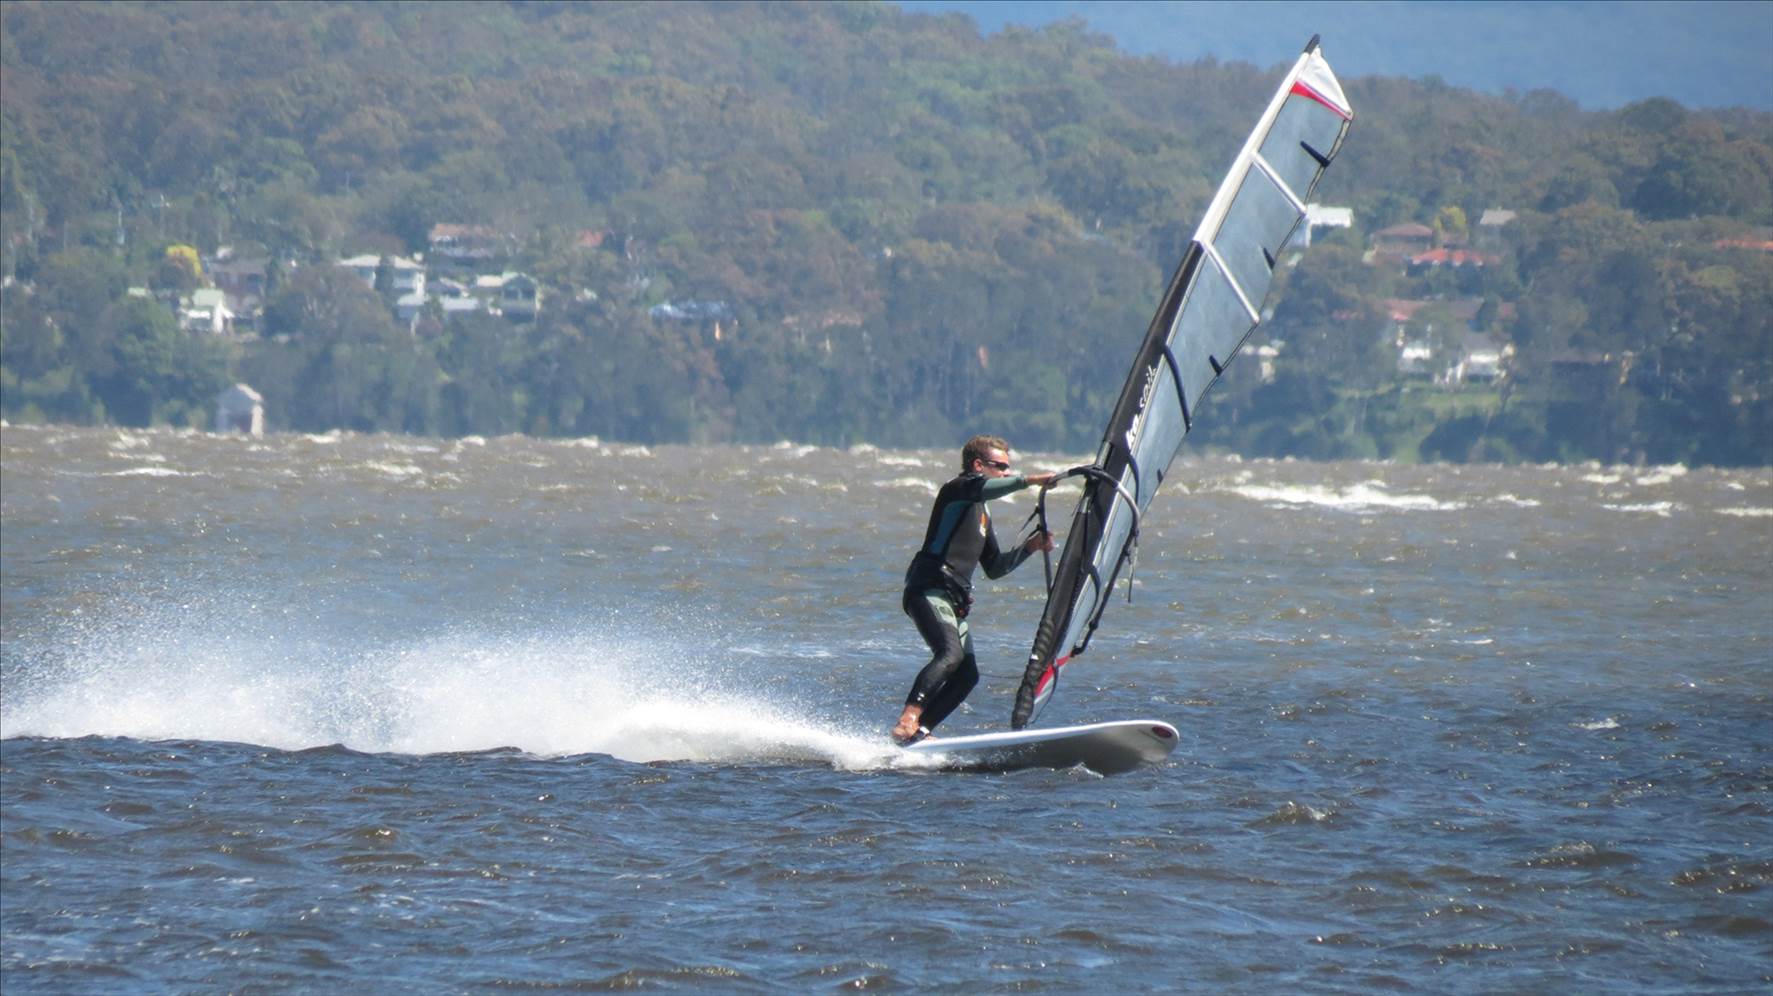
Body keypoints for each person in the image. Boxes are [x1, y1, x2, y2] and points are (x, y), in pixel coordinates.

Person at [891, 435, 1059, 743]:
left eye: (1009, 468)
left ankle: (920, 733)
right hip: (929, 589)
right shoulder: (956, 490)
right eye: (1001, 467)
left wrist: (1031, 547)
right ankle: (908, 718)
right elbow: (985, 488)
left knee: (968, 674)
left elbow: (994, 567)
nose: (1006, 473)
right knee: (950, 654)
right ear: (978, 465)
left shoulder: (982, 513)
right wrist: (1032, 480)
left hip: (953, 601)